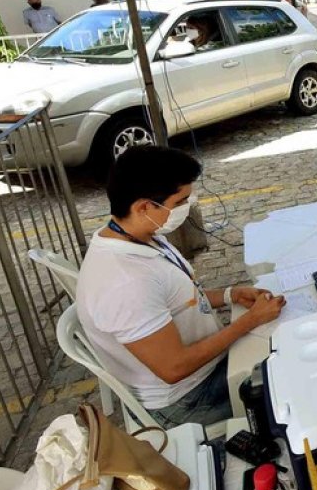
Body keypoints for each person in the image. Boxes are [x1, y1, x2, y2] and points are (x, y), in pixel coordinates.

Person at [75, 146, 285, 427]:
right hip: (188, 399)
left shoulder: (136, 235)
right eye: (180, 201)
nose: (188, 207)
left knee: (285, 344)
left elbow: (176, 299)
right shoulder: (125, 282)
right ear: (144, 207)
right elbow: (174, 367)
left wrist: (229, 294)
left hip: (205, 371)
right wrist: (250, 321)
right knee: (292, 380)